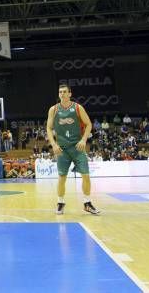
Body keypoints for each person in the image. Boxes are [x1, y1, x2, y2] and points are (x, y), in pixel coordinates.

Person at [46, 84, 100, 215]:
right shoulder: (53, 109)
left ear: (70, 94)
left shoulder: (77, 107)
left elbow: (88, 124)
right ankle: (60, 203)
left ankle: (87, 203)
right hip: (62, 149)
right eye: (60, 92)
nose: (62, 94)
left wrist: (83, 140)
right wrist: (53, 144)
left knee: (86, 176)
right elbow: (48, 128)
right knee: (62, 177)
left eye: (65, 92)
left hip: (77, 146)